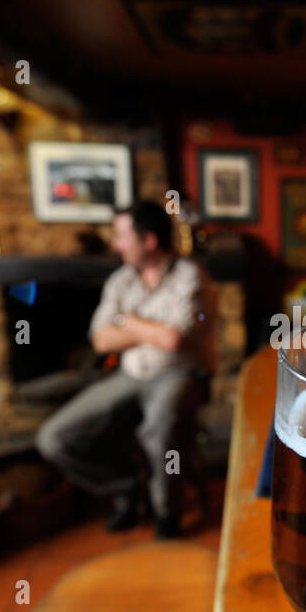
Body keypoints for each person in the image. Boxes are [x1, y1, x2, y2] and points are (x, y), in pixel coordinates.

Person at [35, 201, 206, 539]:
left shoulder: (191, 275)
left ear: (149, 240)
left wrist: (126, 320)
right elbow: (100, 341)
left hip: (179, 374)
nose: (116, 244)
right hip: (129, 375)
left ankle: (166, 514)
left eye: (121, 236)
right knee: (54, 438)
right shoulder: (120, 280)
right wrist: (150, 330)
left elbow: (173, 341)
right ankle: (126, 486)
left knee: (160, 427)